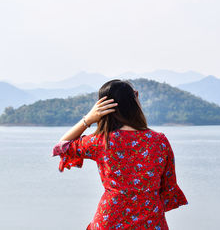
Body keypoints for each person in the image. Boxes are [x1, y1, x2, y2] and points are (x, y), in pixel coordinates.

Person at [52, 79, 188, 230]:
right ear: (134, 101)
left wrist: (88, 119)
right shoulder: (159, 141)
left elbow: (61, 147)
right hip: (151, 222)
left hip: (109, 221)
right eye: (136, 95)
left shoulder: (100, 141)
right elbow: (167, 185)